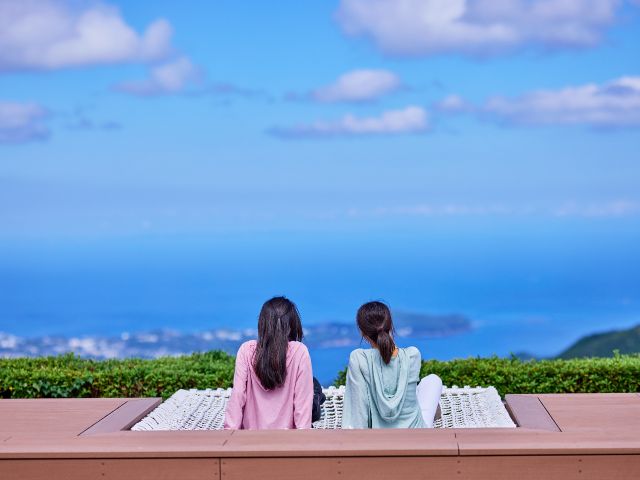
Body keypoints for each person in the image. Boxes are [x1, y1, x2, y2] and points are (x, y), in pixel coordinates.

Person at [342, 301, 443, 429]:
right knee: (433, 380)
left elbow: (358, 411)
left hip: (377, 439)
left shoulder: (359, 358)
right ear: (390, 326)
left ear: (362, 332)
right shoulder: (412, 355)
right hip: (417, 434)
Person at [224, 296, 316, 429]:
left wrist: (230, 432)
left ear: (262, 323)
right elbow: (302, 402)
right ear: (292, 324)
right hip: (288, 443)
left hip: (250, 442)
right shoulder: (299, 351)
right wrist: (303, 439)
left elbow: (238, 395)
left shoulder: (246, 350)